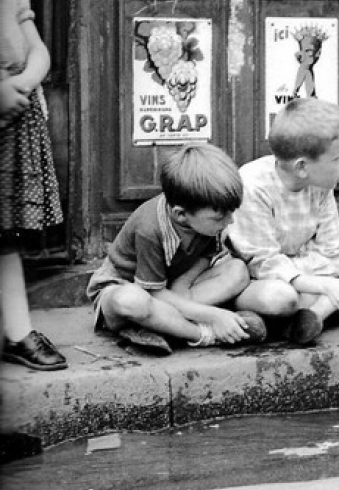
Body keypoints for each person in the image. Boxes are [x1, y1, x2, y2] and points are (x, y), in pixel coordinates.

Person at [227, 97, 339, 346]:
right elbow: (263, 263)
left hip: (304, 265)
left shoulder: (320, 183)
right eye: (338, 157)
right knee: (280, 298)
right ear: (302, 167)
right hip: (259, 278)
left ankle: (315, 315)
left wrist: (322, 280)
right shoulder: (253, 186)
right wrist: (326, 284)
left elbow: (333, 251)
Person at [86, 142, 263, 353]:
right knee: (133, 301)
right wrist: (214, 315)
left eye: (231, 213)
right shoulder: (149, 228)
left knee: (238, 270)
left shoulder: (207, 221)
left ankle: (164, 325)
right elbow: (152, 292)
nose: (230, 221)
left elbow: (205, 258)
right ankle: (203, 334)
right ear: (181, 215)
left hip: (169, 287)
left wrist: (181, 289)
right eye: (220, 217)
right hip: (129, 289)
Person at [0, 0, 68, 371]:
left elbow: (38, 49)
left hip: (13, 123)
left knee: (5, 237)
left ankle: (18, 331)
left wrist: (22, 85)